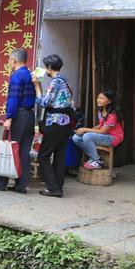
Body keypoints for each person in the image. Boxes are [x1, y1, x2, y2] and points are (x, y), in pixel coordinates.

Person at [0, 49, 35, 194]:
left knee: (8, 148)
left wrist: (8, 118)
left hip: (18, 115)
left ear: (14, 60)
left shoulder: (16, 76)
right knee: (23, 151)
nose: (8, 62)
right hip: (29, 115)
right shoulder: (30, 75)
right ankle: (21, 184)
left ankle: (0, 183)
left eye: (9, 59)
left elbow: (13, 99)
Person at [34, 54, 76, 197]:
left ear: (50, 68)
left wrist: (37, 85)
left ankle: (53, 188)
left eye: (46, 67)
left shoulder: (55, 82)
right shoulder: (66, 80)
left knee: (43, 155)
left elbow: (44, 102)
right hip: (66, 123)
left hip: (55, 122)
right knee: (59, 156)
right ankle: (58, 188)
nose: (46, 70)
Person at [74, 89, 124, 170]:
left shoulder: (112, 115)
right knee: (76, 138)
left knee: (87, 136)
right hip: (104, 135)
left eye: (102, 98)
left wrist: (85, 129)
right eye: (98, 98)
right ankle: (95, 157)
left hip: (113, 138)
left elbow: (103, 131)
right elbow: (101, 124)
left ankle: (96, 161)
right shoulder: (101, 110)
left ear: (109, 101)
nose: (98, 100)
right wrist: (87, 130)